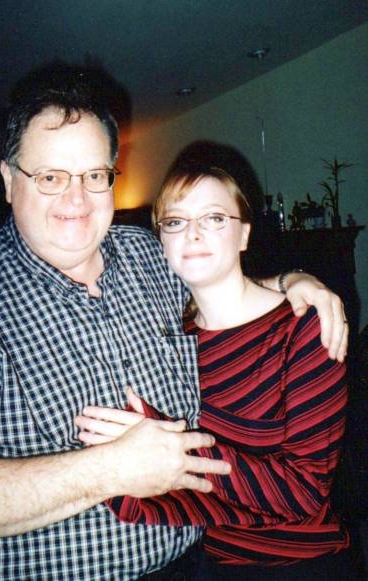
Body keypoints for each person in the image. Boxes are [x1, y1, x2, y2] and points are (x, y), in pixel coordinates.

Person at [0, 64, 347, 581]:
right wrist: (108, 470)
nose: (76, 200)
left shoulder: (148, 255)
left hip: (201, 564)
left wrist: (293, 280)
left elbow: (222, 285)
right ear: (8, 179)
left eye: (94, 176)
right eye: (50, 177)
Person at [75, 165, 357, 580]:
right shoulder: (171, 338)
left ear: (244, 234)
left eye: (214, 218)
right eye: (175, 221)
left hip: (301, 565)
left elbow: (305, 492)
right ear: (161, 243)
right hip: (207, 564)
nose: (193, 233)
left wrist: (170, 448)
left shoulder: (303, 327)